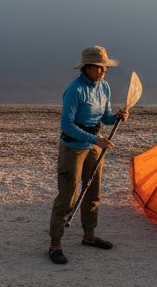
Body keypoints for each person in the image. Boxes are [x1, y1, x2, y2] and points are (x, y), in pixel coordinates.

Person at [47, 45, 129, 265]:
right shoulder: (74, 90)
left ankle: (89, 236)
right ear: (87, 67)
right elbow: (67, 124)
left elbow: (105, 118)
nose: (103, 71)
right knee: (68, 196)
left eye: (105, 67)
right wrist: (95, 140)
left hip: (95, 145)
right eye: (99, 67)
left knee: (93, 191)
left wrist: (118, 117)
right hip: (73, 147)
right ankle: (55, 245)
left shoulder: (105, 88)